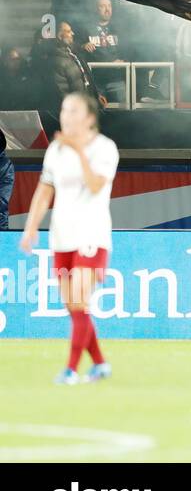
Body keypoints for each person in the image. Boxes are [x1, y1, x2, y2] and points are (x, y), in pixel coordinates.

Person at [19, 92, 119, 384]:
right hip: (61, 235)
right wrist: (31, 226)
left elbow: (97, 185)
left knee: (78, 300)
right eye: (64, 110)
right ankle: (100, 364)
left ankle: (71, 370)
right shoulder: (55, 151)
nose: (65, 116)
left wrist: (78, 151)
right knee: (73, 306)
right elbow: (45, 190)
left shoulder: (104, 148)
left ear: (89, 117)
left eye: (73, 110)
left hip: (92, 233)